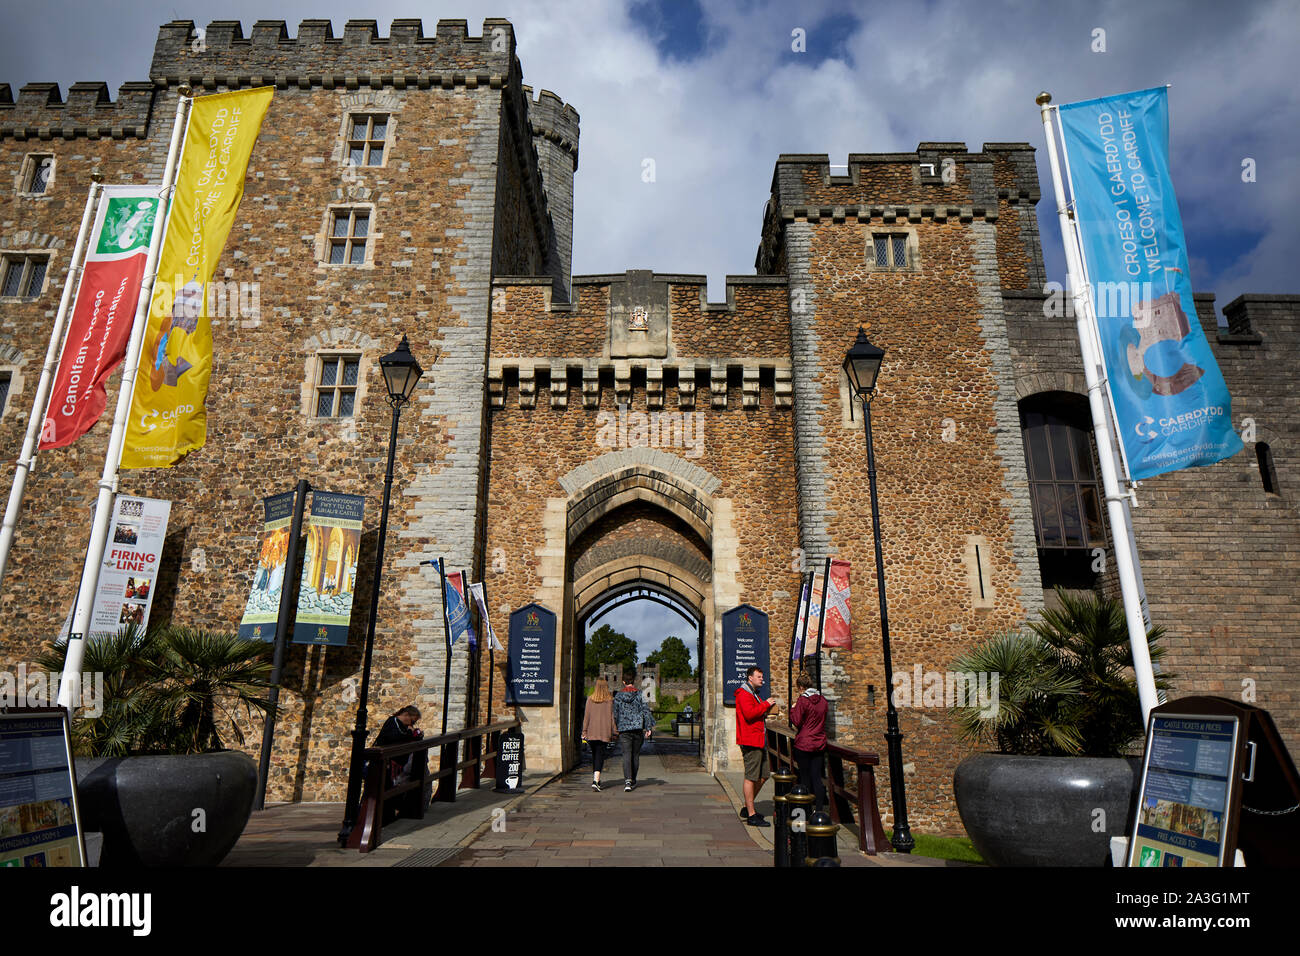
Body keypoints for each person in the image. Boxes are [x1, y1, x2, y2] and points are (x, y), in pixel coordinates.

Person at [735, 666, 779, 826]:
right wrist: (766, 704)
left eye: (762, 676)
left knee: (764, 774)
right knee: (751, 777)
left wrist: (765, 710)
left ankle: (748, 806)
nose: (762, 679)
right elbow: (749, 714)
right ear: (750, 678)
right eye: (759, 676)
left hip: (759, 740)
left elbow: (755, 713)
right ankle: (751, 814)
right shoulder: (743, 694)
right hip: (750, 741)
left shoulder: (753, 694)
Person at [373, 705, 426, 821]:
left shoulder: (402, 726)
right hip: (384, 763)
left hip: (393, 764)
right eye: (412, 721)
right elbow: (396, 737)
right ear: (406, 715)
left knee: (390, 791)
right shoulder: (393, 722)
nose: (411, 725)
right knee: (381, 791)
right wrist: (411, 733)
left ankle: (388, 817)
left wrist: (416, 735)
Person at [788, 670, 828, 813]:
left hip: (804, 744)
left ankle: (806, 809)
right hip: (819, 743)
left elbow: (797, 721)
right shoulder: (823, 700)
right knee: (817, 777)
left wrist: (792, 710)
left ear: (800, 687)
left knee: (804, 777)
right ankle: (819, 810)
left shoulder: (802, 700)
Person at [613, 670, 653, 791]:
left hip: (624, 729)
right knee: (635, 755)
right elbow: (646, 711)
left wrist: (615, 726)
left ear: (623, 682)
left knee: (626, 754)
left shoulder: (618, 696)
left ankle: (627, 781)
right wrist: (648, 727)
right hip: (637, 728)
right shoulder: (641, 694)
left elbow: (615, 713)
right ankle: (633, 779)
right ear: (634, 681)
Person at [582, 678, 616, 791]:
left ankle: (596, 779)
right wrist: (615, 731)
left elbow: (586, 717)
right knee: (600, 756)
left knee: (595, 755)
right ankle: (596, 780)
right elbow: (612, 718)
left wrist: (584, 732)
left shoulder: (590, 699)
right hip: (604, 733)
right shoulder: (610, 700)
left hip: (591, 732)